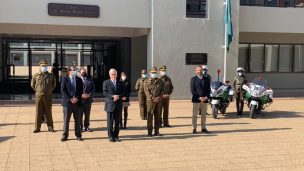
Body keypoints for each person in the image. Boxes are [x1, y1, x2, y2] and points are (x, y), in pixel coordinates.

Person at [31, 60, 56, 133]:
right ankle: (37, 127)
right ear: (39, 66)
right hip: (39, 96)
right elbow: (32, 85)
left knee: (48, 111)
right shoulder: (36, 75)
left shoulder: (51, 75)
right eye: (42, 66)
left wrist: (49, 90)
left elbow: (54, 85)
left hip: (48, 96)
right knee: (38, 112)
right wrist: (38, 91)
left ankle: (50, 127)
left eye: (45, 66)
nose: (44, 67)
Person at [61, 66, 84, 141]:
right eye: (72, 70)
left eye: (75, 70)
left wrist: (76, 98)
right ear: (69, 71)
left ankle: (78, 135)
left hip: (77, 103)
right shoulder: (65, 79)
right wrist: (70, 99)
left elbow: (81, 91)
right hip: (67, 103)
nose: (74, 71)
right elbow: (63, 90)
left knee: (77, 120)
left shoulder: (79, 79)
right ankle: (65, 135)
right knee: (66, 120)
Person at [103, 68, 123, 142]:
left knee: (117, 122)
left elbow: (123, 92)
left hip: (118, 104)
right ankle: (110, 136)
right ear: (109, 75)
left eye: (115, 74)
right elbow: (105, 93)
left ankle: (116, 136)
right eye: (112, 74)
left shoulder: (120, 83)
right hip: (110, 105)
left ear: (117, 74)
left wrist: (118, 96)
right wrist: (112, 96)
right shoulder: (106, 82)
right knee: (110, 122)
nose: (113, 76)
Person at [190, 65, 211, 134]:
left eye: (200, 70)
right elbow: (192, 90)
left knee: (204, 114)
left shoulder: (206, 79)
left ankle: (203, 128)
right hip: (196, 99)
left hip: (205, 99)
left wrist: (206, 97)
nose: (199, 71)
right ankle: (194, 128)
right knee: (195, 114)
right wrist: (199, 97)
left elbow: (209, 90)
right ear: (196, 71)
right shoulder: (193, 79)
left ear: (202, 71)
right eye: (198, 70)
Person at [144, 67, 164, 137]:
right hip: (150, 101)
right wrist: (152, 97)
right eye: (152, 73)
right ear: (149, 73)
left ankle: (157, 131)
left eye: (155, 72)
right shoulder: (146, 81)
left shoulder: (160, 81)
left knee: (158, 116)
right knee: (150, 116)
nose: (154, 74)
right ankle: (149, 132)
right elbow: (146, 91)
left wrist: (158, 97)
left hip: (158, 100)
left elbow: (162, 90)